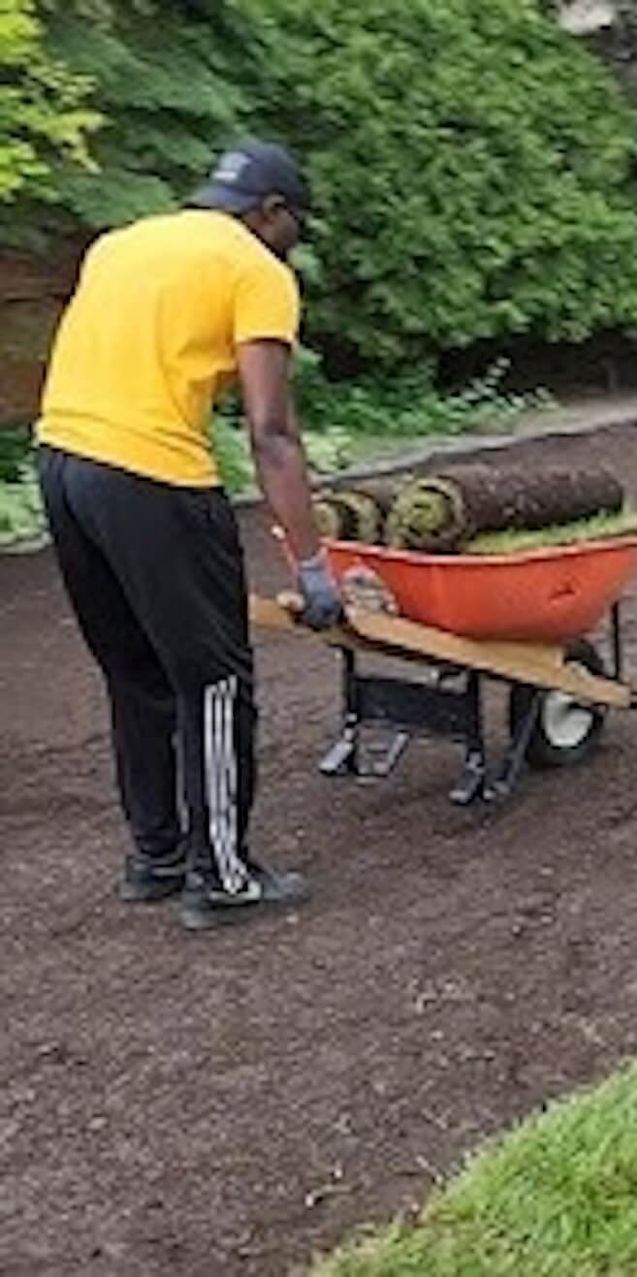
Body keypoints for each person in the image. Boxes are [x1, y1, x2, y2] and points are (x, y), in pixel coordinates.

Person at [33, 141, 343, 931]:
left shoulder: (123, 242)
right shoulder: (255, 269)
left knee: (134, 668)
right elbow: (271, 431)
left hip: (63, 463)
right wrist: (311, 566)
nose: (291, 243)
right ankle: (223, 877)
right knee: (214, 678)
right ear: (270, 212)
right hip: (152, 475)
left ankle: (156, 856)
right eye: (293, 226)